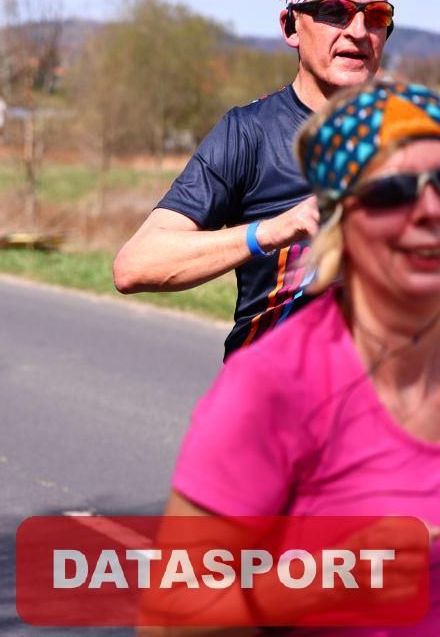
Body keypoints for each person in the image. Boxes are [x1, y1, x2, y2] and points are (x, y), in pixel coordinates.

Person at [155, 79, 440, 633]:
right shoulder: (274, 385)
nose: (430, 208)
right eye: (395, 192)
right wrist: (325, 580)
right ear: (339, 219)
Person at [113, 0, 394, 358]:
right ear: (291, 26)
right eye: (335, 12)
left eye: (376, 16)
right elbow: (136, 265)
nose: (358, 31)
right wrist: (277, 230)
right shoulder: (248, 133)